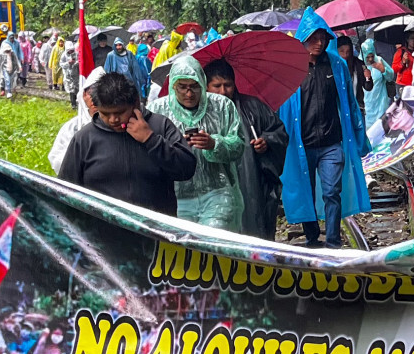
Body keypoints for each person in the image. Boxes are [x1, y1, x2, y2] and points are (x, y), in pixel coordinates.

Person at [281, 10, 370, 246]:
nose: (319, 43)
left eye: (323, 38)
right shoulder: (292, 69)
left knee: (332, 192)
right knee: (305, 192)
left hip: (332, 143)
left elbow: (349, 104)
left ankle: (332, 241)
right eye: (313, 38)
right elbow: (283, 108)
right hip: (303, 144)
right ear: (303, 38)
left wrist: (361, 138)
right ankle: (311, 237)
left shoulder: (337, 65)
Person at [55, 70, 198, 214]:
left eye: (119, 113)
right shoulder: (85, 138)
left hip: (154, 230)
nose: (113, 120)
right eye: (105, 114)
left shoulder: (160, 126)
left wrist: (151, 140)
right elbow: (66, 189)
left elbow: (186, 170)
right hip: (101, 230)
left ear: (135, 103)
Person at [152, 54, 246, 231]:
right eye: (182, 87)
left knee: (213, 242)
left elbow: (239, 145)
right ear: (173, 85)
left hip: (217, 192)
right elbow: (148, 149)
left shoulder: (222, 106)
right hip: (176, 196)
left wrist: (214, 144)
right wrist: (173, 150)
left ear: (202, 83)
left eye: (194, 87)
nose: (189, 93)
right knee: (186, 250)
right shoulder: (157, 110)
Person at [205, 58, 289, 242]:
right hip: (213, 186)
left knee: (253, 228)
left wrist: (266, 141)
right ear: (205, 86)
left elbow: (279, 131)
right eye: (216, 85)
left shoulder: (253, 107)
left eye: (227, 85)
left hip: (252, 183)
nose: (223, 91)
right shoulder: (200, 114)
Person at [359, 35, 396, 131]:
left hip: (381, 101)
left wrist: (383, 70)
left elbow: (390, 77)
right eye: (368, 57)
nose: (371, 59)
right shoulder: (359, 64)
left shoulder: (379, 60)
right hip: (367, 103)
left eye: (372, 56)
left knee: (382, 129)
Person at [59, 40, 80, 109]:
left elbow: (80, 61)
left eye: (72, 50)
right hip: (68, 75)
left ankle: (77, 102)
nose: (71, 52)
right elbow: (61, 64)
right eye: (69, 50)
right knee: (71, 89)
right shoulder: (63, 55)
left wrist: (76, 63)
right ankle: (73, 104)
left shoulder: (76, 54)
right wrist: (68, 63)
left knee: (77, 88)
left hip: (76, 74)